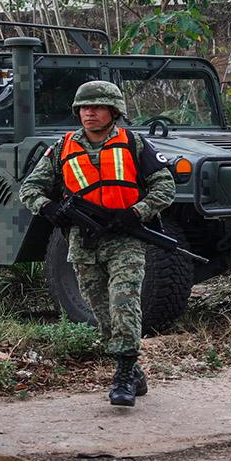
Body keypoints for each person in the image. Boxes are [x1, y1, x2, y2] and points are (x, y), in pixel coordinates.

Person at [19, 80, 176, 406]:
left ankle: (122, 375)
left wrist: (137, 212)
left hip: (125, 240)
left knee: (124, 305)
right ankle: (134, 370)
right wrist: (48, 208)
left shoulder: (134, 143)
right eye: (84, 108)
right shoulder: (62, 148)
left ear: (113, 111)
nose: (89, 113)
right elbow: (30, 189)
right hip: (84, 242)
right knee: (102, 314)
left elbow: (165, 186)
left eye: (98, 107)